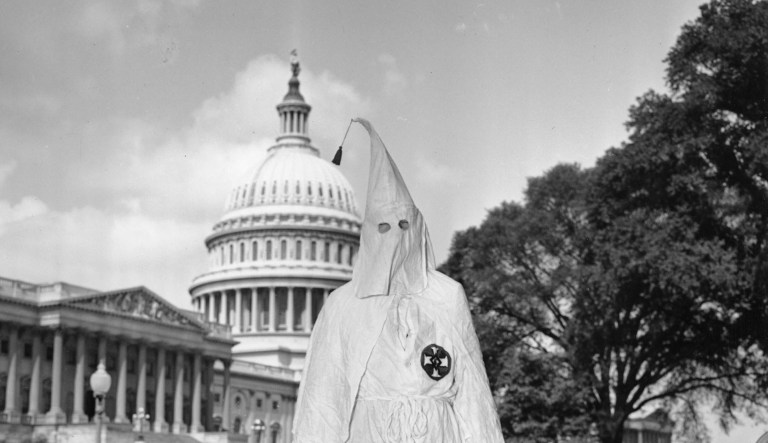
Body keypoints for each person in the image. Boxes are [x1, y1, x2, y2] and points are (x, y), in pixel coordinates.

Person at [292, 118, 503, 442]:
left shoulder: (447, 295)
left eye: (404, 226)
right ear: (368, 235)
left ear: (418, 229)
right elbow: (323, 400)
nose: (395, 239)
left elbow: (473, 393)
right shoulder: (343, 305)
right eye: (384, 228)